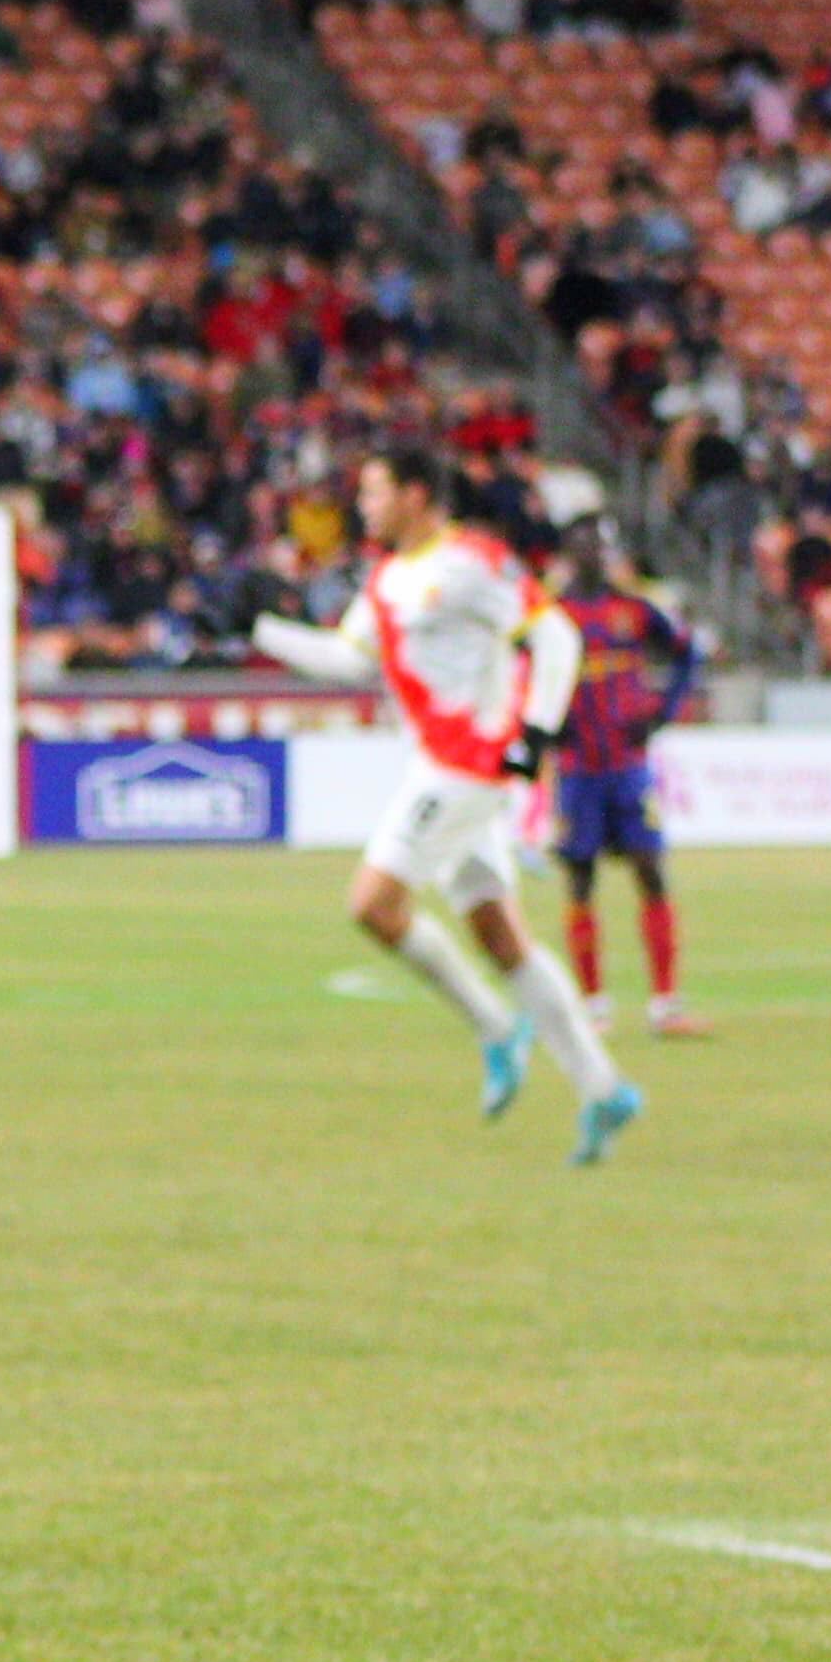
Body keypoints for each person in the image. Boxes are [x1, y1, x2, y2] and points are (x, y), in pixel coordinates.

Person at [254, 446, 643, 1165]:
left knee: (372, 905)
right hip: (439, 763)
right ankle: (603, 1088)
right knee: (500, 935)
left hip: (468, 767)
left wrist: (536, 733)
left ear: (415, 494)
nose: (362, 506)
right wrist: (261, 627)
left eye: (373, 492)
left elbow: (556, 637)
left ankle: (497, 1029)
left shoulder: (474, 562)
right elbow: (349, 657)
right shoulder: (385, 580)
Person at [546, 521, 704, 1037]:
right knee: (580, 879)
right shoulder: (552, 617)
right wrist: (546, 724)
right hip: (577, 770)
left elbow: (686, 652)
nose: (593, 553)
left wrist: (661, 711)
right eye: (583, 544)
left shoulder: (633, 610)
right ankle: (593, 1008)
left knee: (651, 871)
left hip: (628, 767)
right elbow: (518, 672)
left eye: (601, 545)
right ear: (568, 553)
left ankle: (666, 1005)